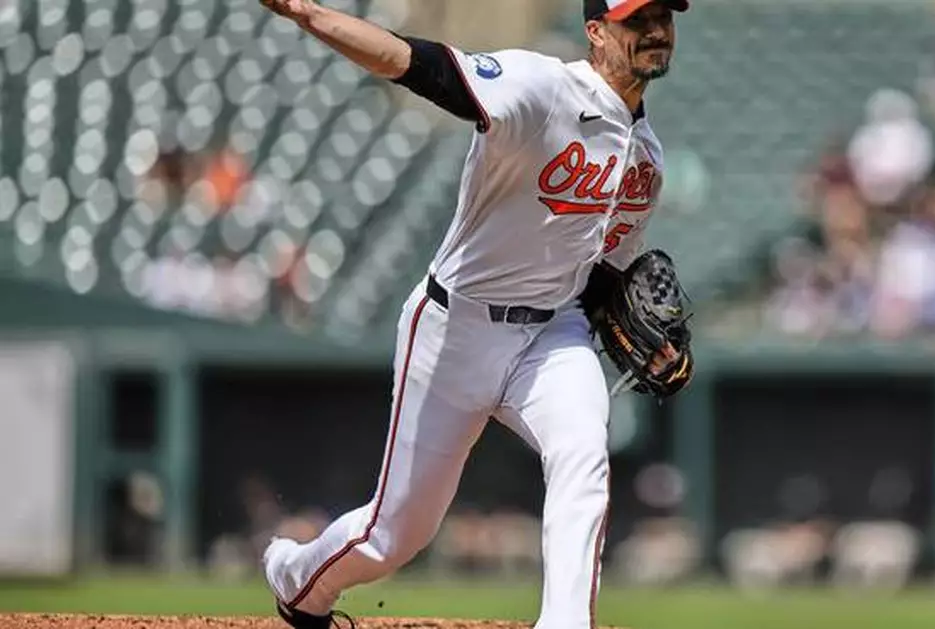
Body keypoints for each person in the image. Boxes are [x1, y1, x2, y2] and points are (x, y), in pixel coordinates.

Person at [255, 0, 692, 627]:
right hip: (454, 326)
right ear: (596, 33)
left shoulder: (646, 159)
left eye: (664, 18)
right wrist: (309, 14)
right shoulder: (541, 87)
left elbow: (601, 274)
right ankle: (298, 579)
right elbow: (419, 65)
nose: (655, 29)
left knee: (582, 449)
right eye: (637, 19)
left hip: (551, 332)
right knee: (394, 535)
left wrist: (638, 332)